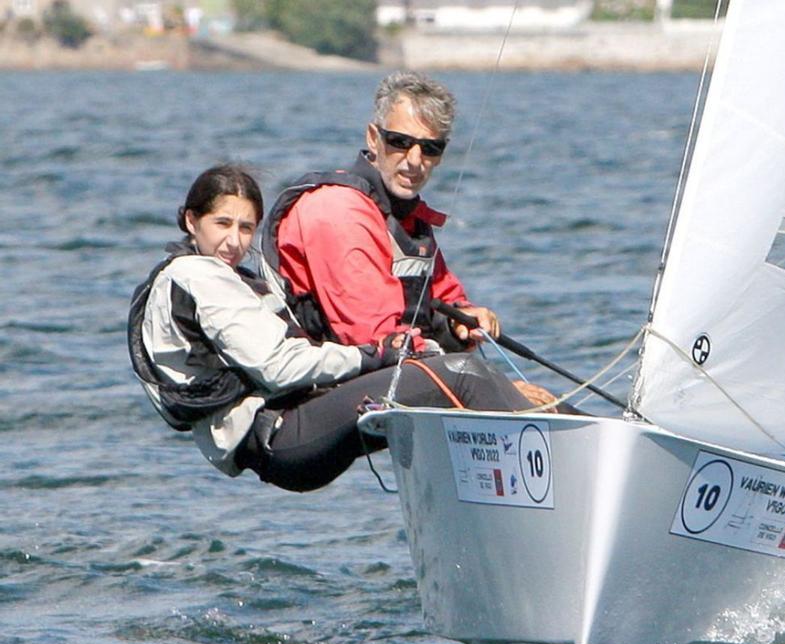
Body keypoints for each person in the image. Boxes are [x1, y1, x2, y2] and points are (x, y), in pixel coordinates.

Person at [129, 165, 533, 492]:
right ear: (190, 220)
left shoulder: (223, 278)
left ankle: (523, 462)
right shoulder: (197, 277)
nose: (234, 241)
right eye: (222, 224)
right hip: (283, 438)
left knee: (444, 384)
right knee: (459, 376)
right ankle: (570, 455)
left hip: (294, 426)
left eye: (246, 227)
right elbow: (279, 368)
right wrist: (374, 355)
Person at [256, 71, 555, 407]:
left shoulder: (406, 218)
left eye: (430, 148)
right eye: (400, 142)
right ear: (373, 138)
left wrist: (464, 321)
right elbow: (377, 339)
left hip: (376, 383)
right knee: (472, 379)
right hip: (296, 406)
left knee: (539, 401)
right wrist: (499, 389)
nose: (415, 161)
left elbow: (443, 298)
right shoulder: (338, 210)